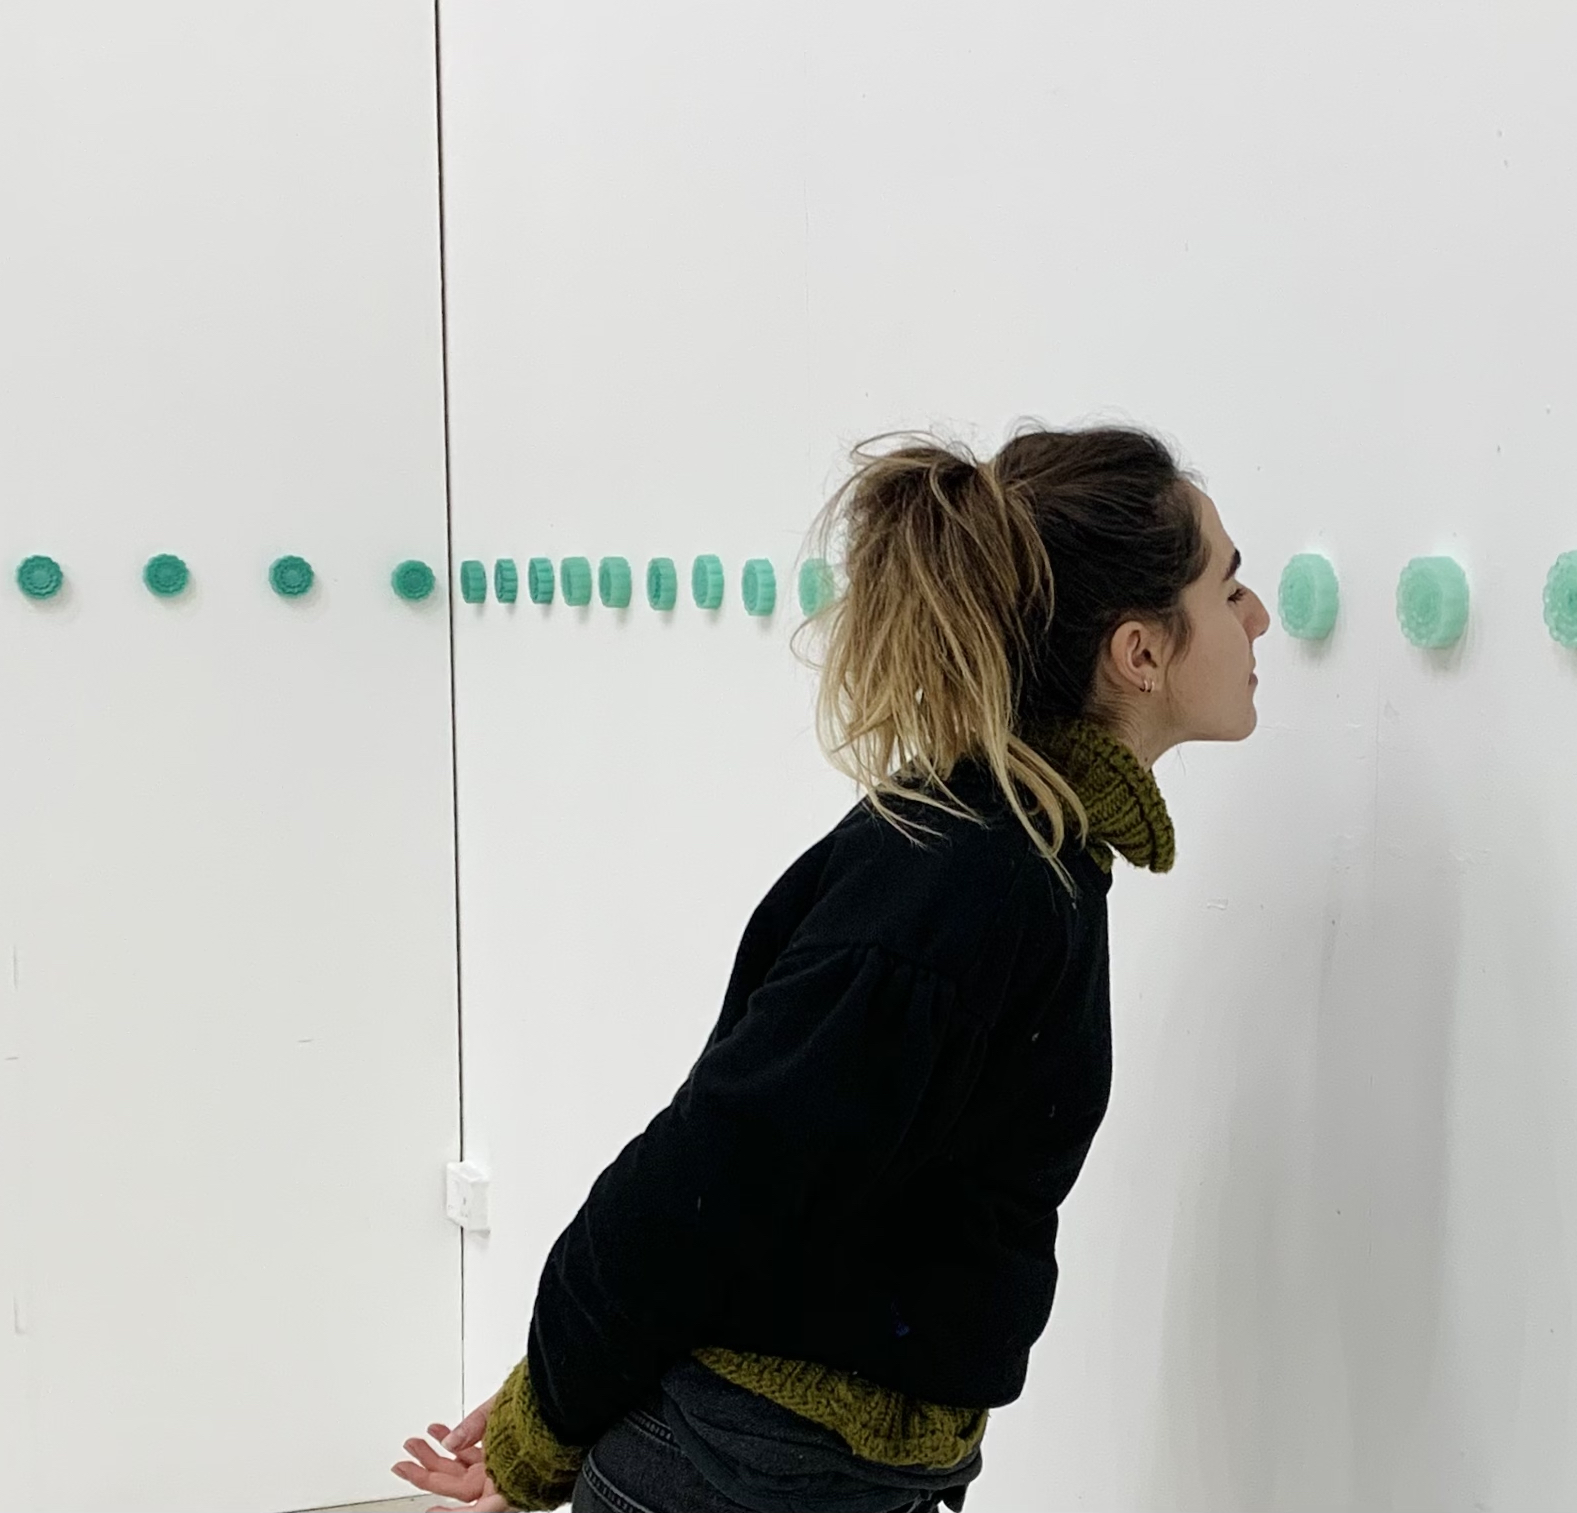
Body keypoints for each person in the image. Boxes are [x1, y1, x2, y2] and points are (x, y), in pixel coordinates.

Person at [390, 424, 1268, 1512]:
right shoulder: (973, 880)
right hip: (742, 1476)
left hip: (808, 1470)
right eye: (1229, 589)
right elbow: (705, 1177)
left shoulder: (1031, 855)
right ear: (1138, 652)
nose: (1256, 619)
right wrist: (544, 1418)